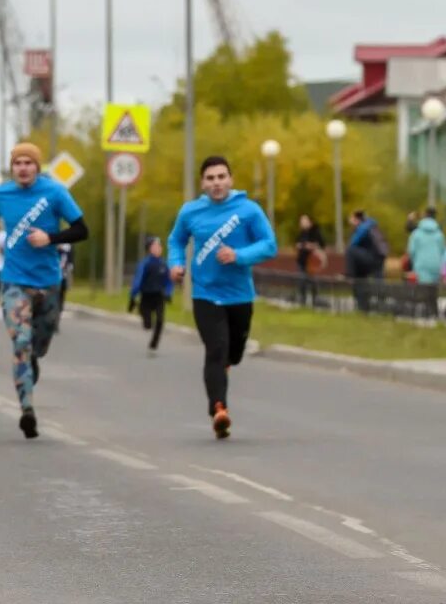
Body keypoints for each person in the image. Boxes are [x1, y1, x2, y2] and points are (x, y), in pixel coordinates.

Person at [0, 142, 89, 439]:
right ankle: (27, 410)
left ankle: (33, 361)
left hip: (49, 282)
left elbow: (81, 230)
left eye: (28, 163)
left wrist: (49, 237)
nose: (23, 168)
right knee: (20, 344)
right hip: (14, 281)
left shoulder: (55, 193)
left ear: (37, 167)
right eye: (18, 163)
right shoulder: (0, 194)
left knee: (39, 346)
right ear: (12, 168)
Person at [168, 155, 277, 439]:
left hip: (240, 295)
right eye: (210, 178)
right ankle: (219, 409)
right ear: (203, 183)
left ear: (230, 180)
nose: (216, 183)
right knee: (215, 349)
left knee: (234, 352)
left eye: (221, 177)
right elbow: (176, 240)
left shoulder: (248, 210)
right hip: (205, 294)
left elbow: (269, 245)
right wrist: (176, 264)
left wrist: (239, 255)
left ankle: (225, 368)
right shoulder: (190, 212)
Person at [129, 236, 173, 356]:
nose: (158, 248)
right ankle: (143, 315)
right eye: (155, 246)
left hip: (159, 296)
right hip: (146, 297)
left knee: (160, 320)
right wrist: (133, 297)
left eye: (159, 246)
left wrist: (168, 293)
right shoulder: (145, 264)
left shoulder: (164, 264)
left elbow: (168, 282)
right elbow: (137, 281)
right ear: (149, 249)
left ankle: (154, 344)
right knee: (148, 324)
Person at [345, 210, 388, 312]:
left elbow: (353, 243)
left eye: (353, 220)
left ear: (357, 219)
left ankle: (350, 276)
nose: (352, 223)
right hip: (379, 259)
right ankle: (377, 305)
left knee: (350, 251)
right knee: (375, 280)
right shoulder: (373, 226)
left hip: (372, 258)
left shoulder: (364, 227)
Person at [407, 206, 446, 316]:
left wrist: (414, 262)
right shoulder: (439, 234)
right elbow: (443, 251)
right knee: (433, 289)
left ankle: (423, 312)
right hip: (436, 264)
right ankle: (434, 311)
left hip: (421, 264)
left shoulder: (416, 233)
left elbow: (412, 250)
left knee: (422, 288)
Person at [295, 214, 327, 306]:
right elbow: (298, 243)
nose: (302, 223)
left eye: (304, 221)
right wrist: (299, 246)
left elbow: (322, 245)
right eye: (301, 221)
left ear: (309, 222)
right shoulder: (302, 233)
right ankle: (302, 301)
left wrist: (311, 246)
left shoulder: (315, 232)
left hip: (312, 261)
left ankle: (315, 300)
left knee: (313, 281)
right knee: (302, 281)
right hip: (302, 260)